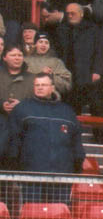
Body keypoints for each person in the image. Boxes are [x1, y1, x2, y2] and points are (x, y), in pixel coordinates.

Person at [8, 72, 85, 202]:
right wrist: (15, 168)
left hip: (61, 175)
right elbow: (14, 141)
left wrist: (77, 164)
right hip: (31, 175)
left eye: (44, 84)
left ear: (52, 87)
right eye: (37, 85)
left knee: (57, 216)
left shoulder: (67, 111)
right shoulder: (22, 109)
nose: (40, 87)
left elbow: (76, 141)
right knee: (33, 215)